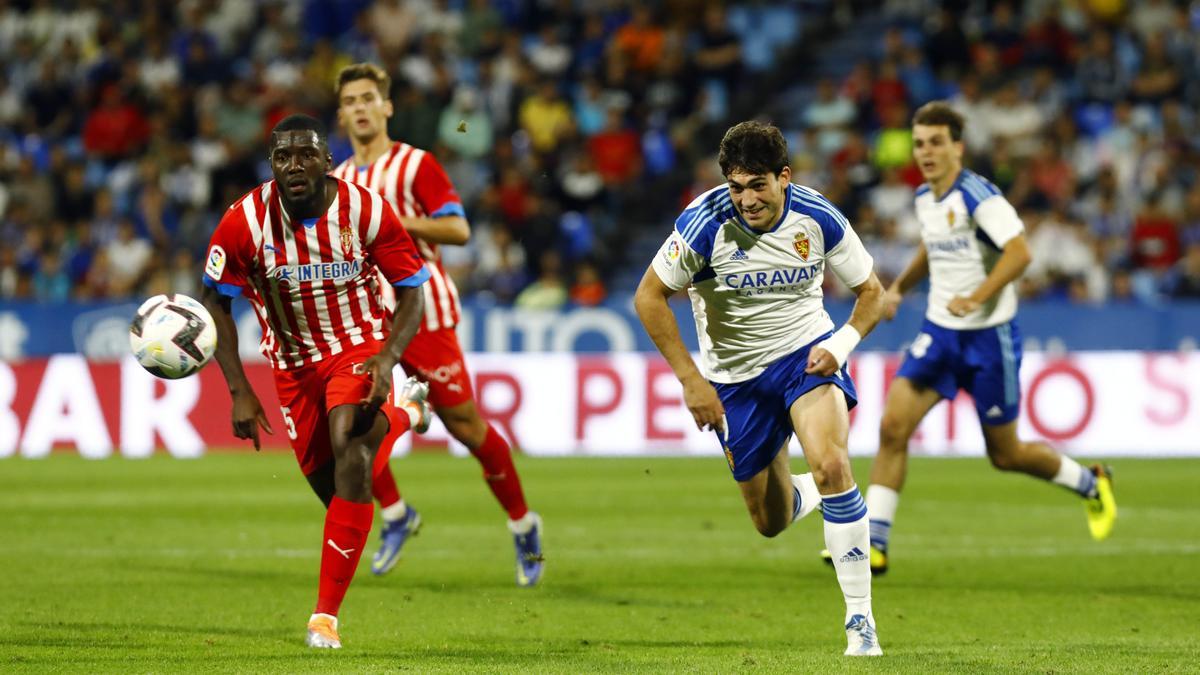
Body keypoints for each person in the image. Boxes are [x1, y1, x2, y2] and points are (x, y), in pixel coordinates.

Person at [634, 121, 887, 657]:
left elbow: (872, 293)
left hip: (805, 356)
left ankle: (860, 622)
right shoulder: (704, 223)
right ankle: (814, 494)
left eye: (758, 185)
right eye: (736, 186)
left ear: (783, 177)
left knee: (833, 462)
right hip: (733, 380)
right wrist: (691, 380)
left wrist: (840, 347)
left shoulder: (817, 217)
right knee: (769, 522)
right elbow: (649, 297)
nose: (746, 199)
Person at [853, 102, 1117, 575]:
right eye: (919, 144)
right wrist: (896, 290)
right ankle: (873, 544)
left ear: (958, 146)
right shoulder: (925, 199)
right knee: (893, 427)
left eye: (936, 142)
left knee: (1006, 454)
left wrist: (976, 297)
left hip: (989, 339)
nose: (926, 152)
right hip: (939, 333)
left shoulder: (981, 197)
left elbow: (1020, 254)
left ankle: (1092, 482)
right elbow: (932, 248)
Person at [201, 114, 434, 649]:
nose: (295, 165)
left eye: (306, 154)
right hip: (292, 366)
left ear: (327, 161)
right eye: (283, 157)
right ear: (272, 167)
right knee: (339, 494)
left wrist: (388, 356)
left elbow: (411, 290)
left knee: (351, 446)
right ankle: (407, 414)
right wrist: (239, 389)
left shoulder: (366, 210)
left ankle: (324, 619)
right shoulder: (243, 222)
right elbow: (216, 302)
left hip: (358, 347)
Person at [329, 63, 543, 586]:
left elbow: (459, 227)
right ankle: (397, 515)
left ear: (387, 107)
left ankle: (523, 523)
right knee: (350, 423)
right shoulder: (338, 182)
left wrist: (393, 221)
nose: (359, 107)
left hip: (422, 312)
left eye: (367, 98)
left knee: (465, 426)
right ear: (341, 114)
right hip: (364, 319)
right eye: (350, 101)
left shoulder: (415, 165)